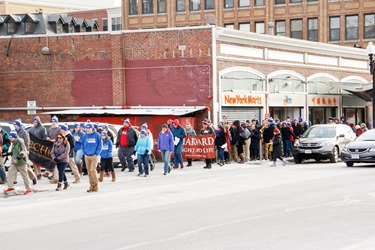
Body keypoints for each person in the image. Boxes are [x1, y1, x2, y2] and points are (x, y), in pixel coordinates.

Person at [3, 131, 33, 195]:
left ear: (15, 137)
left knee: (24, 176)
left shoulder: (20, 141)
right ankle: (10, 187)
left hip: (21, 162)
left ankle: (29, 189)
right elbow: (14, 151)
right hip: (15, 162)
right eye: (10, 137)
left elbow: (24, 150)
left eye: (11, 137)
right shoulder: (13, 142)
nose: (10, 139)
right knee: (9, 174)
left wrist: (21, 155)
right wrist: (8, 153)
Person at [13, 119, 37, 185]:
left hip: (23, 151)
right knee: (13, 165)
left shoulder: (24, 132)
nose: (14, 126)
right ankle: (13, 180)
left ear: (18, 125)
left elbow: (27, 142)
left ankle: (33, 177)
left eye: (15, 125)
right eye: (14, 125)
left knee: (26, 166)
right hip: (16, 151)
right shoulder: (14, 132)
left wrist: (25, 151)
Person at [82, 121, 103, 192]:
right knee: (88, 171)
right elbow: (82, 144)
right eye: (87, 128)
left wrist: (97, 153)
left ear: (92, 128)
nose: (88, 129)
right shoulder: (85, 136)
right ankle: (91, 185)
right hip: (87, 155)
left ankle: (96, 184)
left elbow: (100, 145)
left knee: (92, 170)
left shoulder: (97, 135)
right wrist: (84, 152)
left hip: (94, 155)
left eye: (89, 128)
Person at [28, 116, 47, 180]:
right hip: (33, 147)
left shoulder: (42, 129)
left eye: (36, 122)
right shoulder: (32, 129)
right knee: (34, 162)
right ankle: (37, 174)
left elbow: (44, 138)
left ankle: (40, 173)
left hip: (40, 147)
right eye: (33, 122)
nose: (35, 123)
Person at [46, 116, 60, 183]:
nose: (53, 123)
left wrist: (54, 140)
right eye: (52, 121)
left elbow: (60, 138)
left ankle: (56, 178)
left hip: (57, 147)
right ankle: (54, 177)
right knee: (52, 162)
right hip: (51, 147)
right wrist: (48, 138)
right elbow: (48, 136)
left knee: (55, 163)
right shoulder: (49, 129)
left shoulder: (59, 129)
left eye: (54, 121)